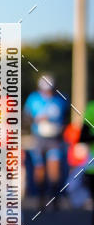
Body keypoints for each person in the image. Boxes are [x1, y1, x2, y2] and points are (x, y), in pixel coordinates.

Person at [24, 76, 68, 209]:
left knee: (54, 167)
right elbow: (26, 117)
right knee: (39, 167)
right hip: (39, 137)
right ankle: (41, 197)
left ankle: (55, 197)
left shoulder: (61, 99)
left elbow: (66, 117)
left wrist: (61, 128)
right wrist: (36, 120)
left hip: (55, 138)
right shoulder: (33, 99)